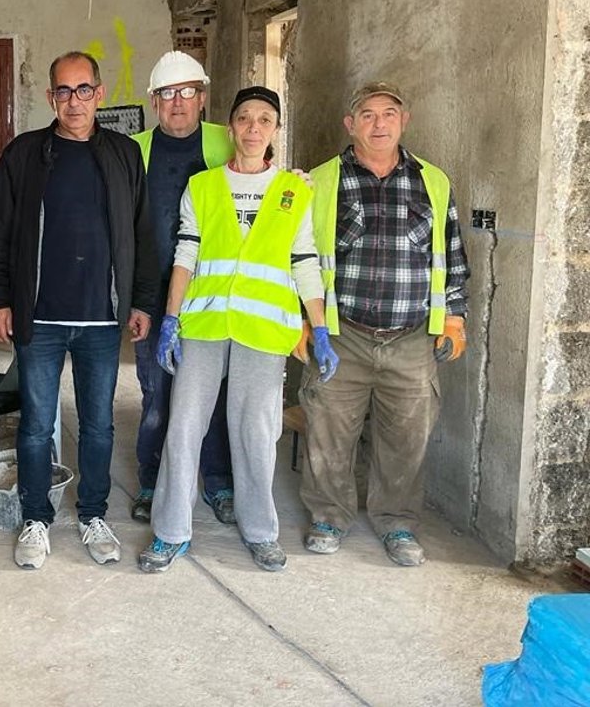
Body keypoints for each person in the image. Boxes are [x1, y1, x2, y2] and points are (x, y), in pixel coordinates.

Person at [138, 87, 338, 574]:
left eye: (264, 120)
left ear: (275, 131)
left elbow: (304, 261)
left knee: (256, 431)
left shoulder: (294, 190)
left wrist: (320, 327)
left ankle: (260, 531)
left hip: (263, 329)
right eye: (245, 118)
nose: (253, 128)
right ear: (230, 128)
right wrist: (170, 319)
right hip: (205, 324)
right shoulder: (204, 186)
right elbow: (186, 253)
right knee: (184, 427)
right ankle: (171, 531)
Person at [0, 50, 158, 570]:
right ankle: (36, 518)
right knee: (37, 424)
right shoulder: (24, 154)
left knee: (99, 425)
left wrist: (142, 300)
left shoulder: (124, 154)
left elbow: (142, 233)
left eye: (83, 90)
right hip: (40, 317)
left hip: (101, 319)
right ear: (50, 96)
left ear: (99, 94)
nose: (74, 101)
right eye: (63, 90)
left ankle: (93, 515)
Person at [299, 82, 469, 567]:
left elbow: (452, 255)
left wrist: (453, 318)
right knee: (329, 431)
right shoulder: (319, 181)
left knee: (407, 436)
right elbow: (297, 255)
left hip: (411, 337)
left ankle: (397, 522)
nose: (379, 124)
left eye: (389, 113)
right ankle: (328, 517)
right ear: (350, 124)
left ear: (403, 120)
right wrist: (301, 321)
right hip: (342, 335)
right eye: (368, 115)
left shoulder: (433, 182)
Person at [130, 51, 237, 526]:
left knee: (213, 394)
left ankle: (218, 481)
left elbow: (265, 182)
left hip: (213, 293)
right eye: (168, 94)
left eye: (188, 92)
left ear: (203, 97)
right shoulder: (133, 150)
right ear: (154, 101)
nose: (178, 102)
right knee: (157, 394)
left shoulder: (226, 140)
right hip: (153, 296)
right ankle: (151, 481)